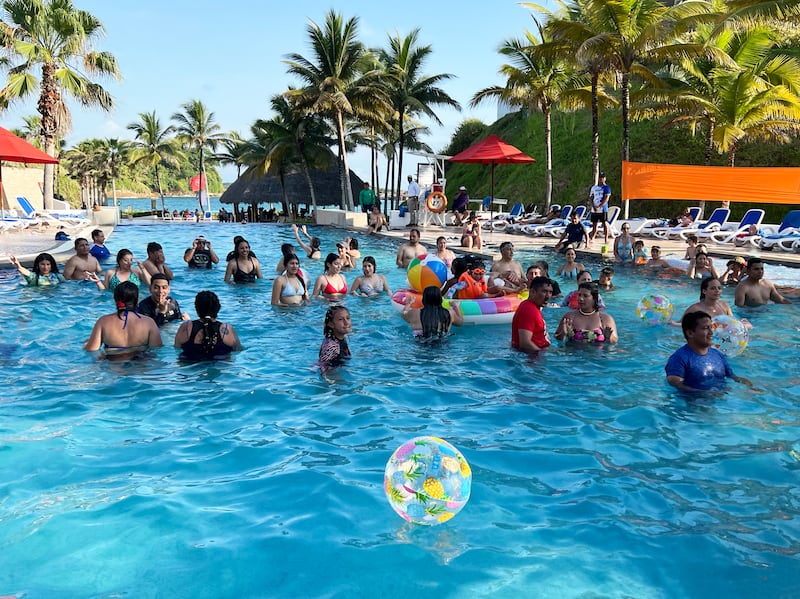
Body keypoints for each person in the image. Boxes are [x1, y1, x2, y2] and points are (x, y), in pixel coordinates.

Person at [665, 310, 754, 392]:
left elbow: (732, 377)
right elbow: (676, 385)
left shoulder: (717, 354)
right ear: (690, 333)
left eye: (711, 327)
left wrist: (749, 386)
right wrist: (704, 393)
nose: (712, 332)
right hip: (693, 406)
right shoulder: (679, 359)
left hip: (719, 401)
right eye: (705, 328)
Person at [84, 281, 162, 360]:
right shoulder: (149, 322)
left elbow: (91, 350)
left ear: (115, 299)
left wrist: (86, 344)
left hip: (114, 367)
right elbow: (157, 349)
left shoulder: (103, 322)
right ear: (136, 300)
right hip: (140, 366)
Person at [174, 290, 242, 360]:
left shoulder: (185, 327)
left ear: (197, 309)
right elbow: (238, 350)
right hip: (221, 367)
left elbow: (177, 348)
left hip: (191, 368)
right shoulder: (227, 329)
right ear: (217, 308)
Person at [511, 276, 553, 353]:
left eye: (550, 292)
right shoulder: (529, 310)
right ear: (532, 292)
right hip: (532, 359)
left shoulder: (530, 306)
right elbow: (525, 343)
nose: (548, 296)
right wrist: (542, 357)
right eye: (544, 291)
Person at [318, 305, 352, 373]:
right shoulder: (332, 346)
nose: (346, 322)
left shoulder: (340, 338)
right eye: (340, 319)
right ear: (331, 324)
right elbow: (322, 365)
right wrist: (330, 381)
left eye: (348, 318)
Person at [588, 171, 611, 244]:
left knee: (604, 223)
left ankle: (606, 238)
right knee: (594, 224)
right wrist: (593, 206)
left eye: (602, 178)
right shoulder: (594, 187)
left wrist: (600, 206)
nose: (601, 179)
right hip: (594, 208)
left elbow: (606, 198)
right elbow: (591, 197)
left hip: (603, 209)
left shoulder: (606, 187)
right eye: (600, 178)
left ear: (605, 179)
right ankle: (593, 237)